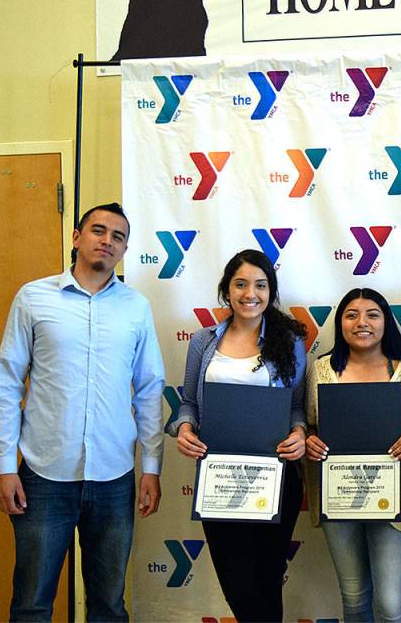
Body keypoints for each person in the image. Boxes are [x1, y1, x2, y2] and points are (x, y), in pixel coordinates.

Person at [0, 203, 164, 621]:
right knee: (32, 603)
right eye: (98, 230)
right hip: (44, 474)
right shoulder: (33, 297)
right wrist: (3, 466)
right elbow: (7, 381)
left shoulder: (135, 308)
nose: (107, 241)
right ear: (76, 237)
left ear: (124, 250)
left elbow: (149, 389)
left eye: (118, 236)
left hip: (114, 477)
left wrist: (152, 467)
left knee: (107, 604)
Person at [169, 249, 307, 622]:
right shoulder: (203, 342)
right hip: (221, 482)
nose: (251, 293)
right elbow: (188, 404)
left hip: (274, 479)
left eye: (260, 285)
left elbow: (297, 407)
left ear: (271, 291)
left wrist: (299, 433)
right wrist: (183, 428)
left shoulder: (290, 341)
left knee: (266, 583)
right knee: (239, 586)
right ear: (226, 291)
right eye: (241, 284)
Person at [304, 288, 401, 623]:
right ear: (340, 323)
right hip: (338, 498)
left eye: (372, 314)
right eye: (351, 314)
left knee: (390, 604)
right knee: (354, 598)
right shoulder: (320, 370)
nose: (362, 322)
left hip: (392, 502)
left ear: (386, 321)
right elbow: (308, 425)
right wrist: (309, 440)